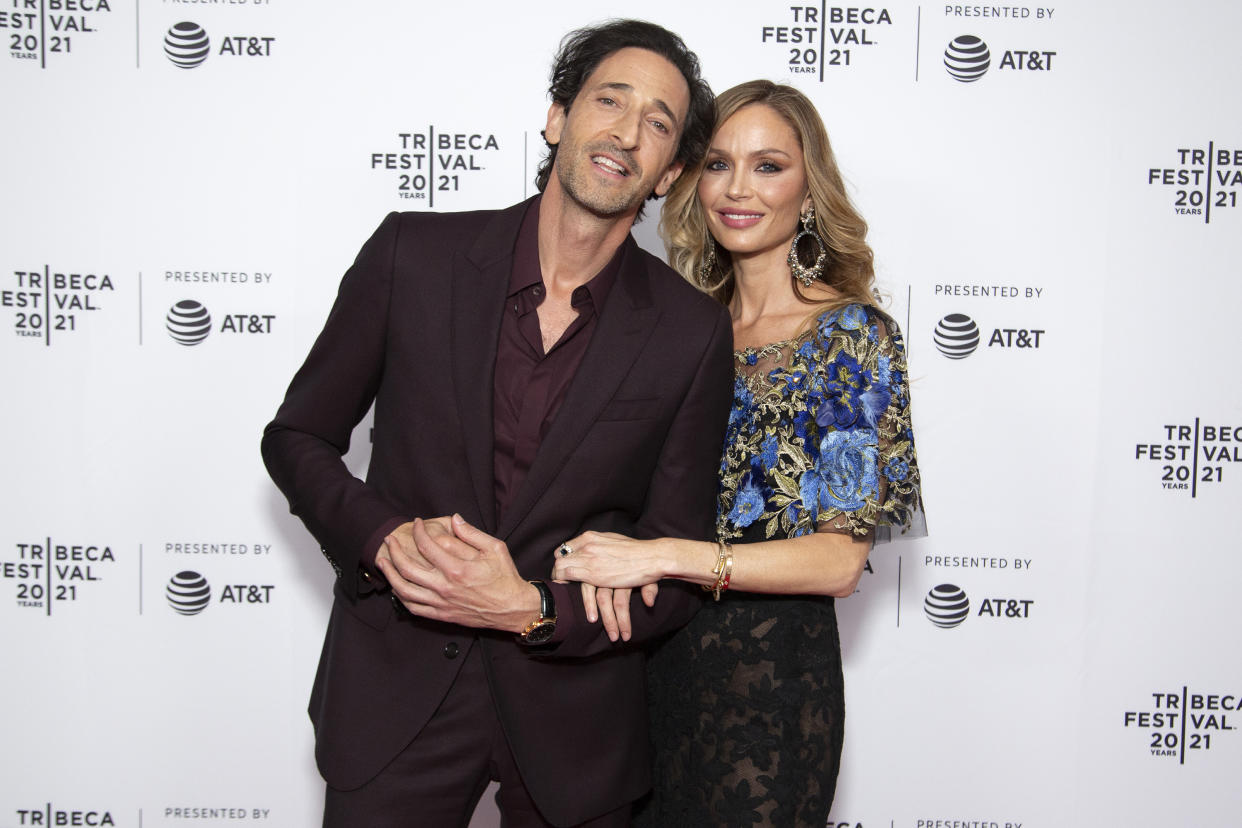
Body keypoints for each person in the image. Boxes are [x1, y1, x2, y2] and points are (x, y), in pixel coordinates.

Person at [260, 20, 732, 828]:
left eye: (658, 123)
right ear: (558, 118)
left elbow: (672, 562)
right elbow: (296, 436)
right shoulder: (413, 254)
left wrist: (534, 609)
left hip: (574, 721)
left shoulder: (691, 332)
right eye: (609, 100)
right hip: (394, 693)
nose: (626, 130)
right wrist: (382, 539)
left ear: (670, 174)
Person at [552, 80, 926, 826]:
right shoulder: (679, 329)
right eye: (719, 164)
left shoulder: (850, 338)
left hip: (767, 686)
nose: (737, 189)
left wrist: (662, 556)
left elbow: (838, 562)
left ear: (808, 188)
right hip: (644, 669)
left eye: (768, 166)